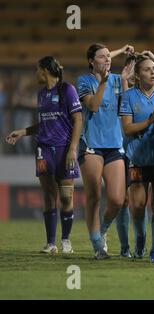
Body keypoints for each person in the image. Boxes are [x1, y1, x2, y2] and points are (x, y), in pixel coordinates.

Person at [6, 56, 82, 254]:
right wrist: (23, 131)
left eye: (37, 70)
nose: (35, 73)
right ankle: (51, 243)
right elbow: (45, 123)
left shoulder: (67, 90)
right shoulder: (41, 95)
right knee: (48, 196)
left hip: (65, 148)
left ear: (45, 70)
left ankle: (66, 239)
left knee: (66, 197)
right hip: (44, 149)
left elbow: (78, 120)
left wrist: (73, 148)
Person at [115, 50, 154, 258]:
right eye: (147, 70)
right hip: (138, 158)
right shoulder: (129, 96)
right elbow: (127, 129)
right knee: (138, 204)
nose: (153, 73)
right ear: (138, 76)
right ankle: (140, 239)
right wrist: (149, 122)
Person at [76, 43, 134, 259]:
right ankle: (97, 245)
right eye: (102, 57)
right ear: (91, 61)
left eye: (109, 57)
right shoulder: (84, 81)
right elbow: (93, 106)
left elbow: (126, 104)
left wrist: (126, 80)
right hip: (91, 145)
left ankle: (103, 231)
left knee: (118, 200)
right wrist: (104, 81)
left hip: (114, 144)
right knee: (94, 196)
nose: (108, 60)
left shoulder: (119, 80)